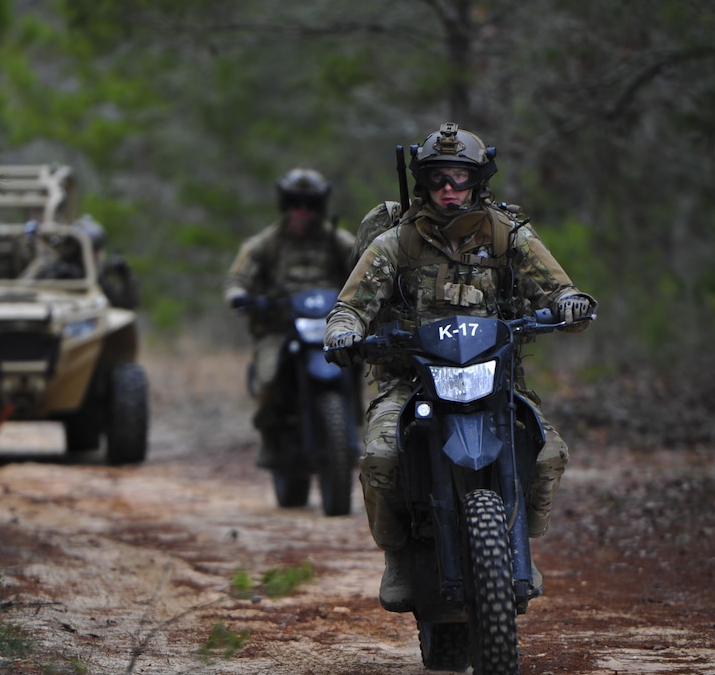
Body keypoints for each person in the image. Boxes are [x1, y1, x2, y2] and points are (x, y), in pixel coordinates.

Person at [324, 123, 596, 611]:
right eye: (437, 179)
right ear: (423, 182)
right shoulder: (396, 242)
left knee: (547, 452)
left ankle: (522, 547)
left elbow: (557, 287)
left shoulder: (506, 233)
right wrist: (344, 330)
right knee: (381, 458)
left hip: (495, 380)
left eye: (459, 178)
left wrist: (570, 303)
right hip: (412, 381)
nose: (449, 190)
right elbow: (350, 305)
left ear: (478, 180)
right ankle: (400, 558)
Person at [223, 167, 357, 468]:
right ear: (285, 204)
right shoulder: (264, 243)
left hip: (329, 327)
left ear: (320, 206)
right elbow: (235, 281)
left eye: (310, 205)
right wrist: (240, 298)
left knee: (358, 362)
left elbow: (366, 270)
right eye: (296, 203)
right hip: (278, 329)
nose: (302, 211)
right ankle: (271, 436)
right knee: (269, 378)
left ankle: (355, 426)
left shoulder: (338, 240)